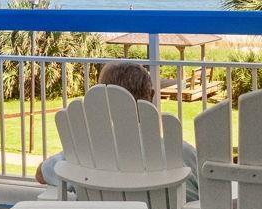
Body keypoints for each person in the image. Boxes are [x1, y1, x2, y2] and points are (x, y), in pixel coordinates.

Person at [36, 61, 198, 198]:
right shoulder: (182, 153)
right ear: (152, 95)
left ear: (100, 100)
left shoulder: (83, 154)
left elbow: (41, 174)